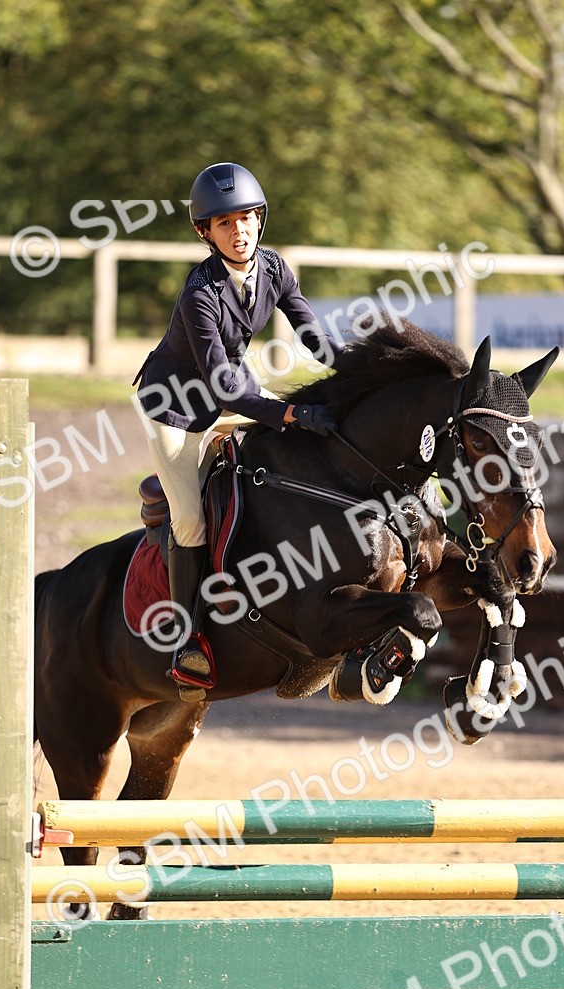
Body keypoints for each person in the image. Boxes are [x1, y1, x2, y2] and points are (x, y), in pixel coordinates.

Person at [135, 162, 343, 694]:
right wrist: (290, 412)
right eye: (225, 223)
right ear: (205, 232)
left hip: (232, 385)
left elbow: (313, 337)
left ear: (260, 220)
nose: (240, 230)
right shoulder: (199, 293)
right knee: (189, 523)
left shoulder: (275, 269)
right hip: (176, 409)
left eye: (247, 217)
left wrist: (357, 372)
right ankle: (187, 639)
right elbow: (226, 390)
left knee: (297, 454)